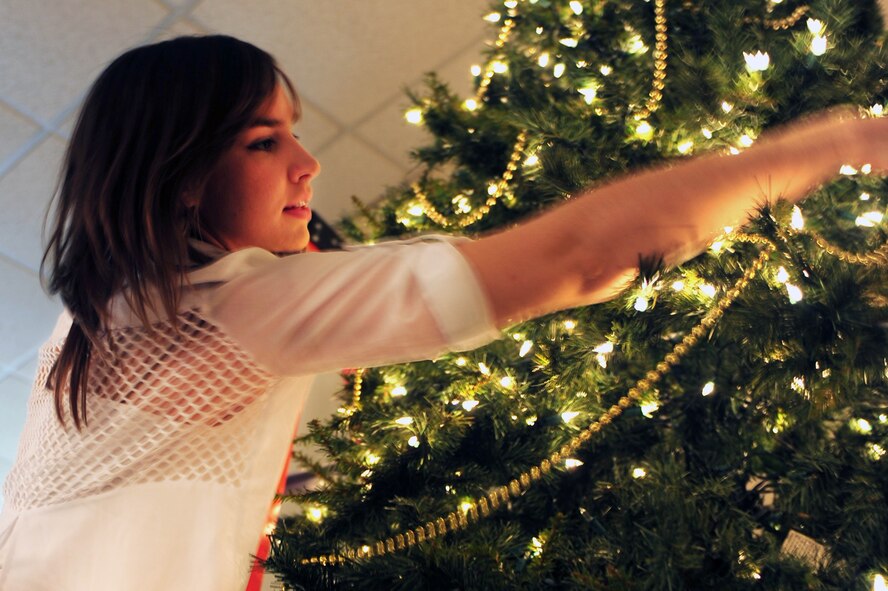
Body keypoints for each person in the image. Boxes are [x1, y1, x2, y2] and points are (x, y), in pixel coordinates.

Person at [0, 34, 885, 591]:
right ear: (180, 174)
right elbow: (581, 259)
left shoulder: (92, 324)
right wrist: (833, 146)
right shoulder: (236, 305)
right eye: (264, 140)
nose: (308, 163)